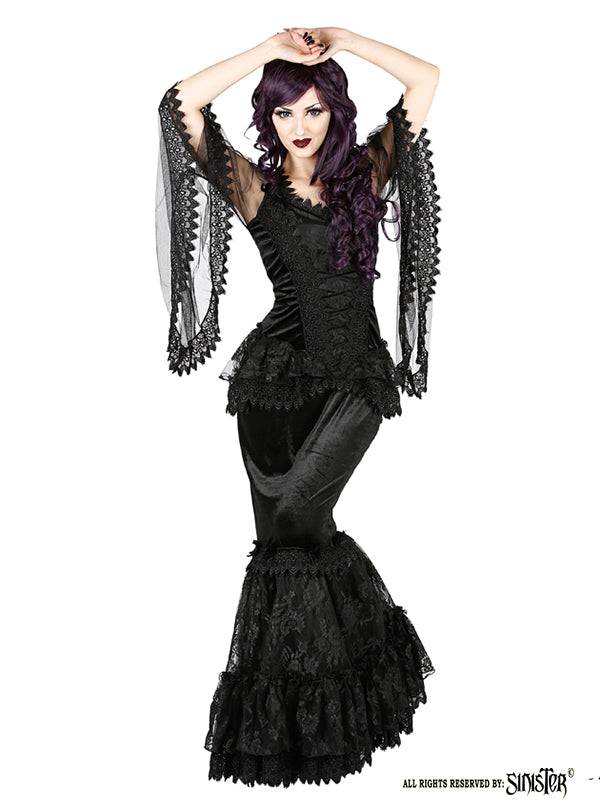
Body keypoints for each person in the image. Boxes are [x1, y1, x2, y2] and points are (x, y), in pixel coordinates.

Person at [155, 26, 441, 788]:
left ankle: (353, 679)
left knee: (296, 519)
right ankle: (292, 727)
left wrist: (342, 39)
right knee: (284, 543)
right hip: (275, 390)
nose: (300, 126)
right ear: (270, 119)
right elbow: (180, 107)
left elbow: (425, 81)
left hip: (353, 385)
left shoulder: (365, 177)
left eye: (313, 109)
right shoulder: (256, 189)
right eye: (284, 113)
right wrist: (266, 51)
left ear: (334, 112)